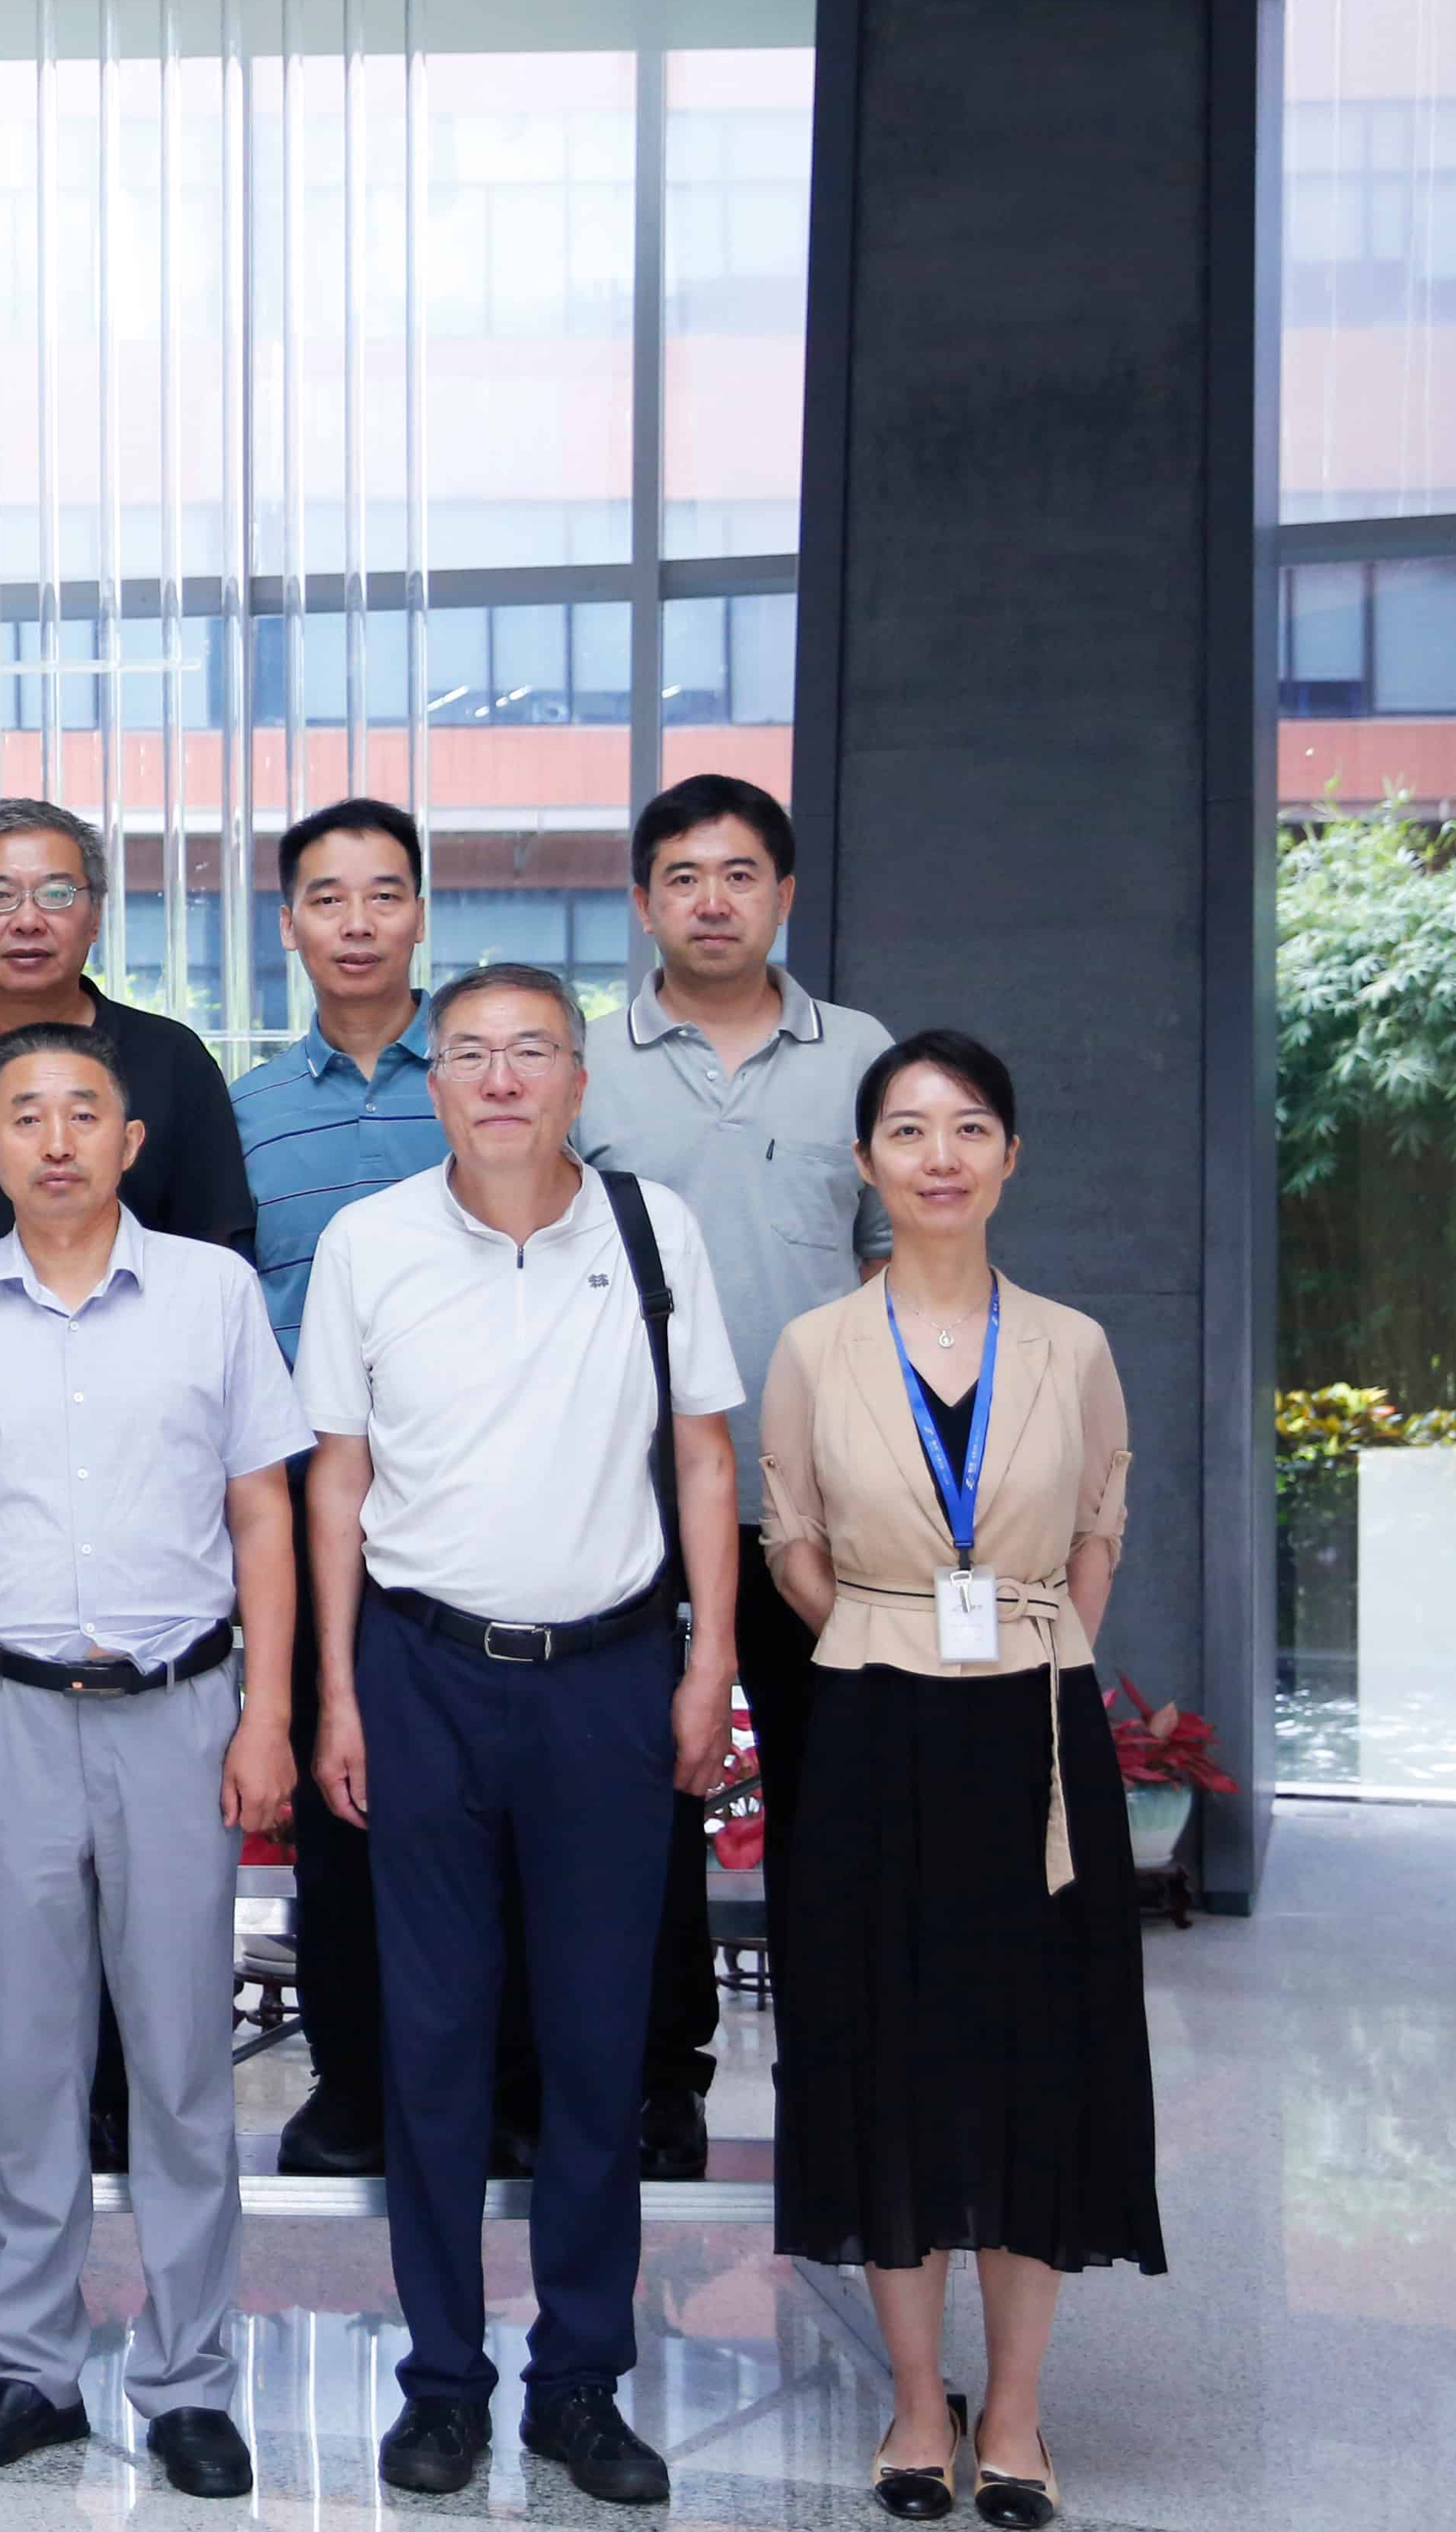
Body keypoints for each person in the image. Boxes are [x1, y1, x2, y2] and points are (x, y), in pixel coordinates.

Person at [299, 963, 744, 2509]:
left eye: (530, 1052)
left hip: (607, 1676)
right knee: (429, 2043)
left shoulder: (648, 1230)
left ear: (576, 1079)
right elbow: (337, 1476)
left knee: (595, 2043)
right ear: (433, 1085)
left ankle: (578, 2380)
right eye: (470, 1054)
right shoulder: (367, 1243)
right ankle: (440, 2381)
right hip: (420, 1669)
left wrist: (709, 1660)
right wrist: (337, 1689)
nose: (499, 1079)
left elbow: (703, 1458)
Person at [0, 1023, 305, 2501]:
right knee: (27, 2060)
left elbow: (262, 1510)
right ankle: (32, 2367)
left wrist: (267, 1710)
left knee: (185, 2063)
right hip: (1, 1712)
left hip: (179, 1711)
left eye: (83, 1111)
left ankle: (188, 2379)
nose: (55, 1137)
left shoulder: (210, 1293)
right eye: (25, 1113)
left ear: (131, 1141)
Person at [759, 1032, 1155, 2532]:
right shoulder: (813, 1344)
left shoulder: (1071, 1342)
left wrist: (1030, 1646)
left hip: (1034, 1733)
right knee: (892, 2053)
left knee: (1036, 2059)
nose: (939, 1155)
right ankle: (919, 2401)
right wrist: (895, 1633)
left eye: (969, 1127)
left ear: (1008, 1157)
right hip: (872, 1723)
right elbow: (792, 1542)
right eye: (909, 1129)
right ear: (866, 1161)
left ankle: (1017, 2409)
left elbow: (1097, 1528)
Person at [0, 794, 255, 2171]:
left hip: (149, 1549)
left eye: (57, 891)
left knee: (165, 1967)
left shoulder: (171, 1071)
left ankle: (132, 2129)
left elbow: (215, 1280)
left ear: (95, 911)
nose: (27, 919)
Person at [576, 772, 900, 2179]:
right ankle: (666, 2079)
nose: (712, 901)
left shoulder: (861, 1055)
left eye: (740, 874)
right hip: (633, 1509)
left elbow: (895, 1263)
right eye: (683, 876)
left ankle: (840, 2077)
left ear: (783, 892)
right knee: (648, 1801)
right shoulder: (587, 1062)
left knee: (835, 1797)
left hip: (822, 1507)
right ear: (642, 901)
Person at [226, 796, 446, 2179]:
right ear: (290, 923)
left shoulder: (482, 1080)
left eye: (382, 894)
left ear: (419, 909)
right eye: (326, 897)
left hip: (469, 1504)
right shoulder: (246, 1110)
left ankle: (489, 2084)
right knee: (339, 1801)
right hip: (310, 1508)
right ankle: (355, 2084)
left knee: (470, 1806)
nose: (356, 923)